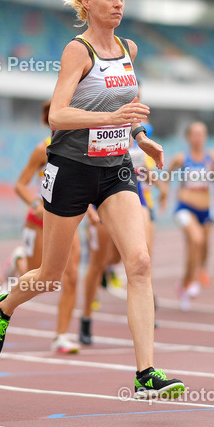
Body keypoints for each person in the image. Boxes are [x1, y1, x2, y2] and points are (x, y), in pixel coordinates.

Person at [0, 0, 184, 399]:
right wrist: (109, 119)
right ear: (87, 2)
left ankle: (145, 373)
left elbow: (127, 102)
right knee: (51, 275)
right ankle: (5, 306)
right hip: (70, 169)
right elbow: (57, 115)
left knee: (140, 263)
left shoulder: (128, 49)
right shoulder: (78, 51)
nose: (118, 5)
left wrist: (140, 137)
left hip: (116, 169)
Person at [11, 100, 84, 354]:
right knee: (40, 279)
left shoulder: (81, 148)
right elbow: (20, 185)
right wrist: (35, 204)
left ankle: (61, 336)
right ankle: (19, 260)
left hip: (68, 219)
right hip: (40, 220)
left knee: (72, 277)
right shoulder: (43, 149)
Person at [79, 123, 159, 346]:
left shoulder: (140, 135)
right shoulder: (96, 127)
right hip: (100, 198)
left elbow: (146, 173)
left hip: (133, 196)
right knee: (99, 262)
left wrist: (159, 184)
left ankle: (147, 309)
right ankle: (86, 317)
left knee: (141, 258)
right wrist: (88, 207)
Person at [160, 122, 214, 311]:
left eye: (202, 134)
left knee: (201, 249)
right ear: (188, 137)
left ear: (205, 137)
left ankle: (185, 283)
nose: (198, 138)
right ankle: (190, 283)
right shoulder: (181, 158)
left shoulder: (212, 156)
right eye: (195, 134)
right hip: (185, 207)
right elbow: (166, 177)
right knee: (196, 239)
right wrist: (164, 195)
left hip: (206, 210)